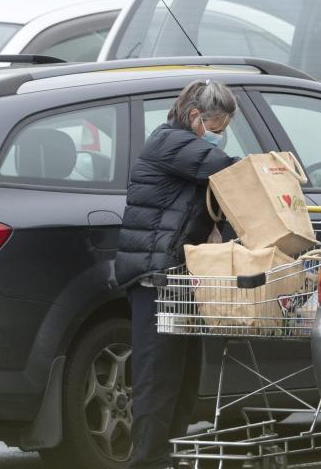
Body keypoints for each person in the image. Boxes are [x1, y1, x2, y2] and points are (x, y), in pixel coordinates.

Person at [114, 79, 237, 469]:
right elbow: (226, 170)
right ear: (195, 117)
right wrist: (271, 167)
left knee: (183, 381)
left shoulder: (190, 150)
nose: (221, 137)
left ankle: (167, 455)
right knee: (157, 379)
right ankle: (147, 460)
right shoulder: (170, 144)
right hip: (154, 280)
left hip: (180, 282)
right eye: (217, 128)